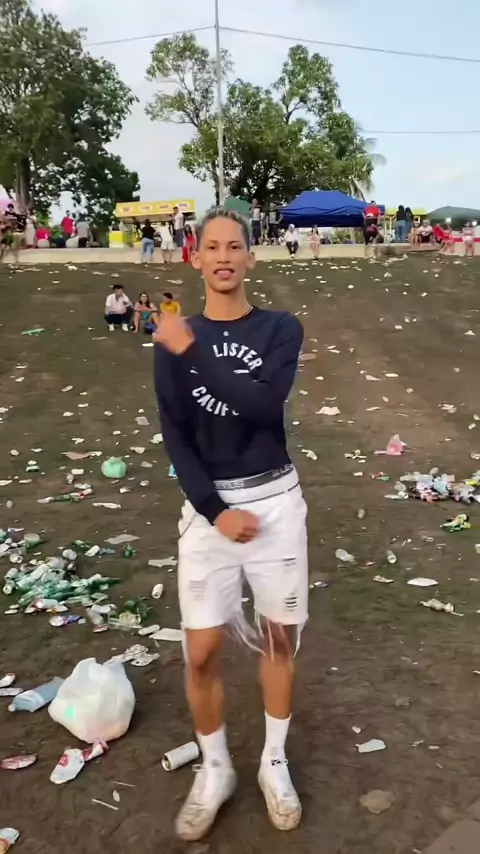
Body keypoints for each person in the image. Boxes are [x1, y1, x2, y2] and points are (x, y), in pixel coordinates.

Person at [153, 207, 307, 842]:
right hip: (209, 510)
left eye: (234, 246)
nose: (223, 256)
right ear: (195, 258)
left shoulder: (279, 329)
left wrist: (193, 350)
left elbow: (263, 404)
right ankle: (214, 769)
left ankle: (274, 762)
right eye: (211, 247)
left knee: (278, 642)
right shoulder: (172, 338)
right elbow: (176, 433)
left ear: (250, 256)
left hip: (275, 503)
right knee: (201, 651)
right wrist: (215, 512)